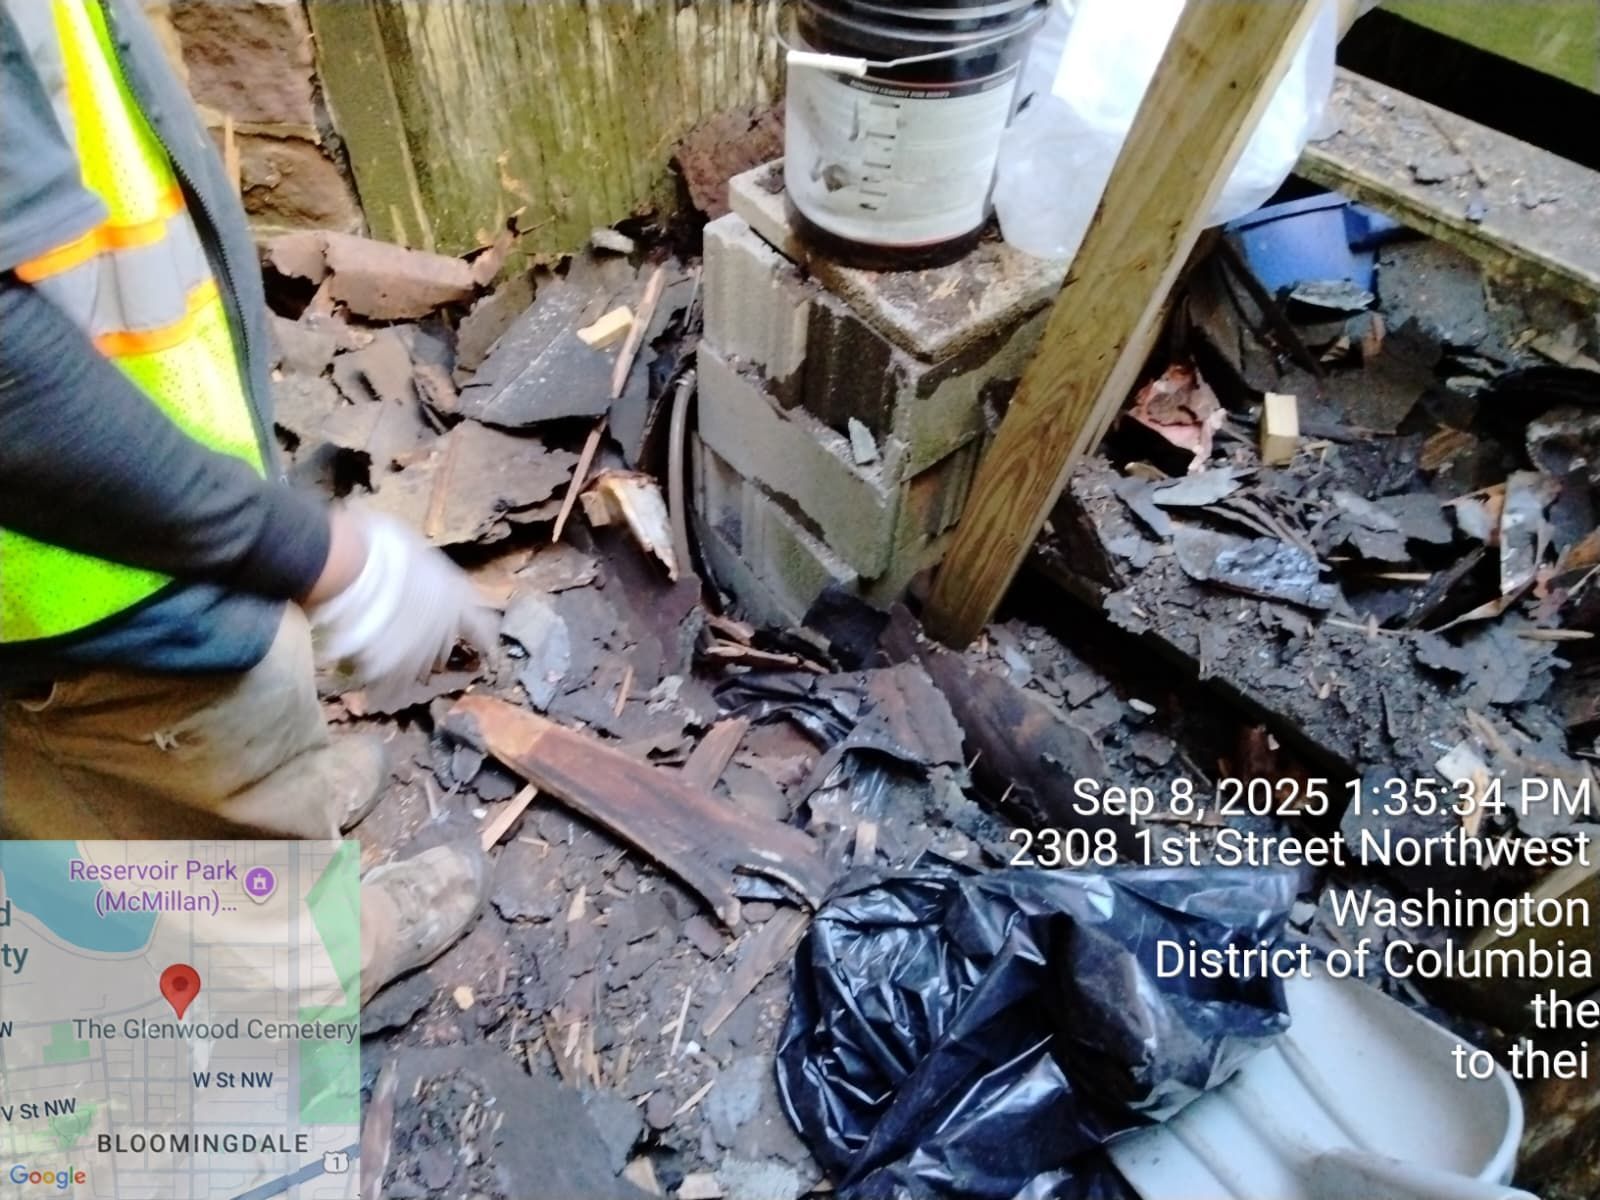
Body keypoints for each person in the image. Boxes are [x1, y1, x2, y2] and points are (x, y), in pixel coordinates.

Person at [0, 0, 490, 1004]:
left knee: (134, 767)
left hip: (123, 480)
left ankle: (249, 793)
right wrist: (312, 555)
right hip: (83, 563)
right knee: (202, 754)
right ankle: (304, 967)